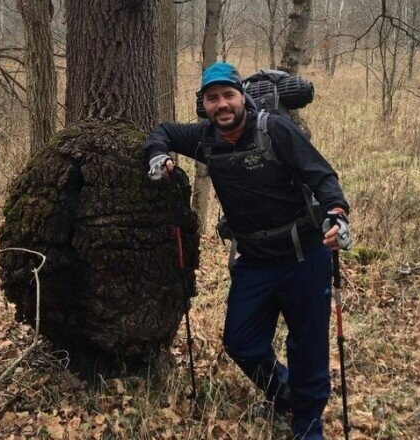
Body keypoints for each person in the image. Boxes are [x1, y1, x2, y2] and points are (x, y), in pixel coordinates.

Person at [144, 62, 352, 440]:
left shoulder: (274, 129)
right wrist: (157, 154)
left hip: (303, 256)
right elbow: (163, 131)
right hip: (254, 261)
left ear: (242, 96)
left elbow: (320, 175)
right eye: (212, 98)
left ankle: (307, 425)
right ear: (204, 105)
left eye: (228, 95)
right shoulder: (205, 139)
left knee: (308, 346)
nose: (222, 105)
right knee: (241, 341)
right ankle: (283, 393)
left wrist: (336, 214)